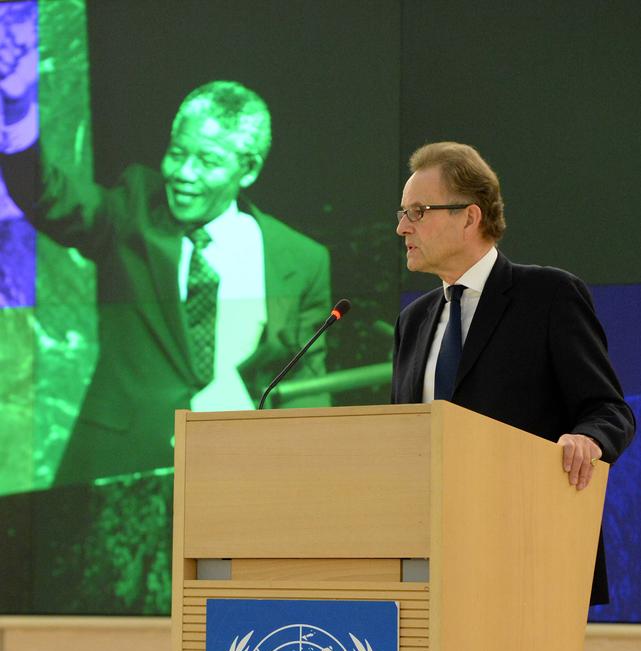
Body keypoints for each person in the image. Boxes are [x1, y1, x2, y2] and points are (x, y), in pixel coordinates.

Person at [0, 73, 331, 484]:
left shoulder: (300, 259)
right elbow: (49, 196)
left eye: (207, 161)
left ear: (248, 169)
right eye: (177, 153)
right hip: (118, 465)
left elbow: (307, 388)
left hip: (237, 471)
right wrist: (14, 117)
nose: (183, 173)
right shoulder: (132, 210)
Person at [392, 141, 635, 604]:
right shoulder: (415, 320)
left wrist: (588, 439)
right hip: (428, 562)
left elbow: (608, 410)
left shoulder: (547, 297)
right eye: (403, 212)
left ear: (470, 216)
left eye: (418, 211)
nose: (403, 227)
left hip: (527, 551)